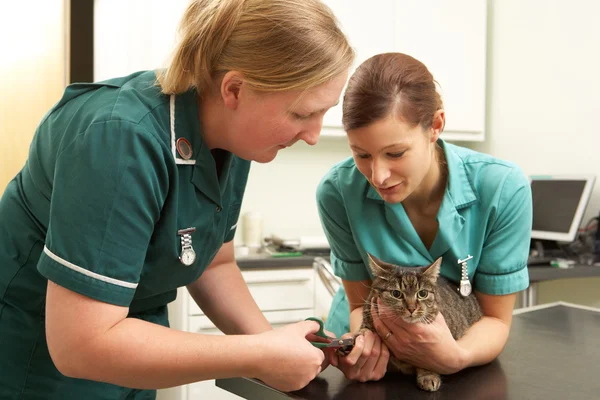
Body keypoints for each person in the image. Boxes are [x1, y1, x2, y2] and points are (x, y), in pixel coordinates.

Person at [0, 0, 353, 398]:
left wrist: (279, 348)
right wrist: (255, 354)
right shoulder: (119, 139)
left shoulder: (233, 139)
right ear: (234, 89)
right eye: (301, 114)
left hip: (135, 346)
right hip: (42, 363)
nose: (312, 134)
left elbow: (213, 263)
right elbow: (82, 344)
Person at [317, 52, 532, 382]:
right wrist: (363, 346)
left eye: (395, 153)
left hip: (461, 356)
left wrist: (454, 357)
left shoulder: (502, 188)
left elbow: (496, 320)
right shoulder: (338, 192)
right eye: (361, 154)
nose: (379, 175)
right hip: (370, 349)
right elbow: (358, 305)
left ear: (435, 126)